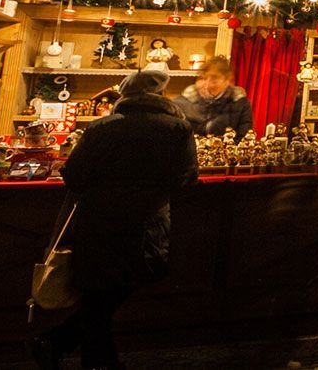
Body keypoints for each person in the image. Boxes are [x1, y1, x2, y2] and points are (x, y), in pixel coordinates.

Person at [30, 70, 197, 370]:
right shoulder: (178, 129)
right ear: (160, 96)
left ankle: (62, 344)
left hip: (99, 220)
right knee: (118, 288)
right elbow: (185, 178)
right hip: (148, 222)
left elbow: (74, 175)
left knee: (99, 291)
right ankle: (79, 352)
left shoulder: (102, 127)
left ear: (125, 96)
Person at [175, 55, 253, 140]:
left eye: (214, 77)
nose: (208, 82)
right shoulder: (186, 100)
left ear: (227, 81)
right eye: (204, 78)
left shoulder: (240, 103)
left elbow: (243, 137)